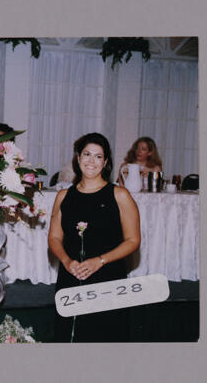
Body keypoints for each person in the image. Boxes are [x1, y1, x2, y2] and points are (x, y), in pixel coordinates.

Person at [48, 132, 140, 342]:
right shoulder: (63, 196)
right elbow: (54, 237)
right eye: (87, 154)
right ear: (78, 158)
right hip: (71, 277)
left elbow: (133, 241)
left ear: (105, 162)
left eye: (98, 156)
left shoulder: (120, 195)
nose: (91, 161)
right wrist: (66, 261)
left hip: (108, 278)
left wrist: (100, 261)